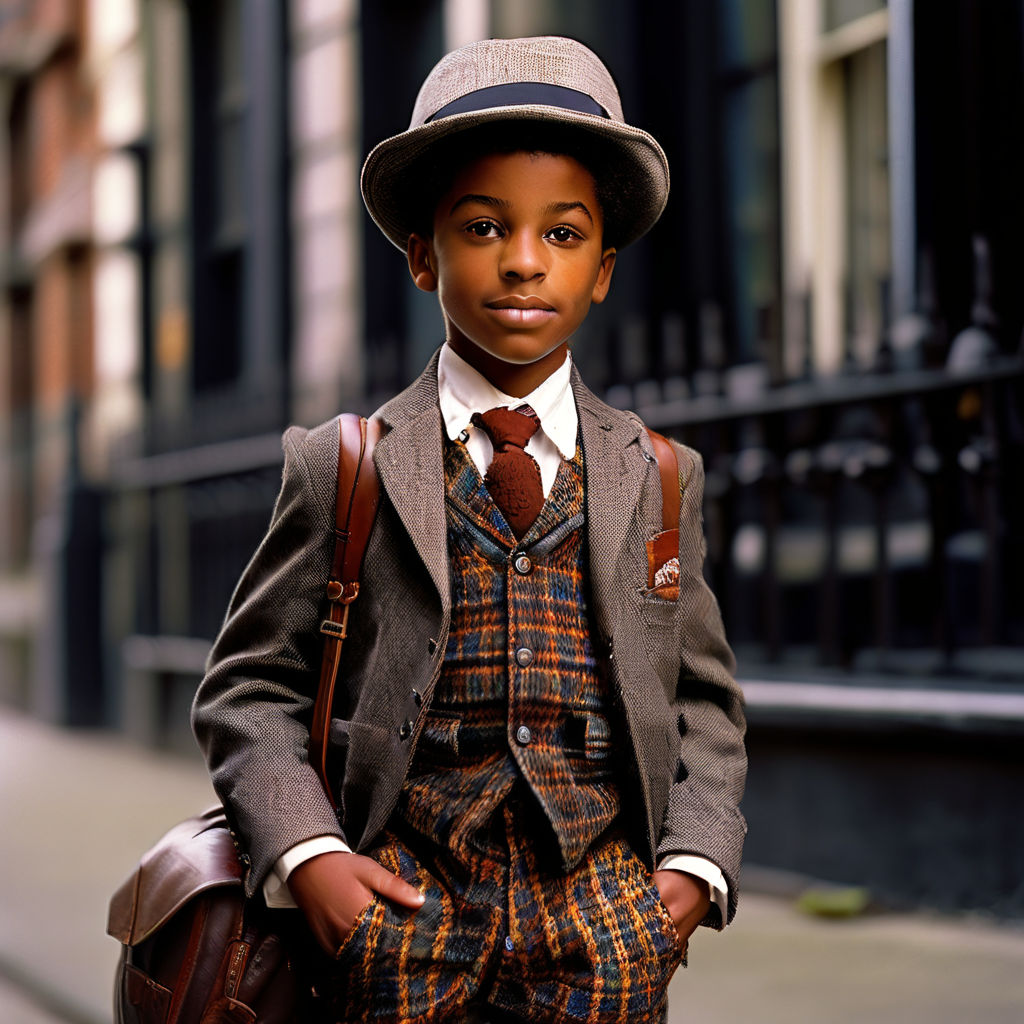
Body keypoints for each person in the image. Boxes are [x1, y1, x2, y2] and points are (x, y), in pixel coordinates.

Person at [192, 35, 746, 1024]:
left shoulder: (659, 476)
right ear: (421, 254)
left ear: (605, 269)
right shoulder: (344, 464)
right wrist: (311, 858)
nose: (525, 260)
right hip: (400, 927)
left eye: (563, 235)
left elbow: (704, 702)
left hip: (604, 937)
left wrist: (692, 873)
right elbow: (249, 687)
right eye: (484, 227)